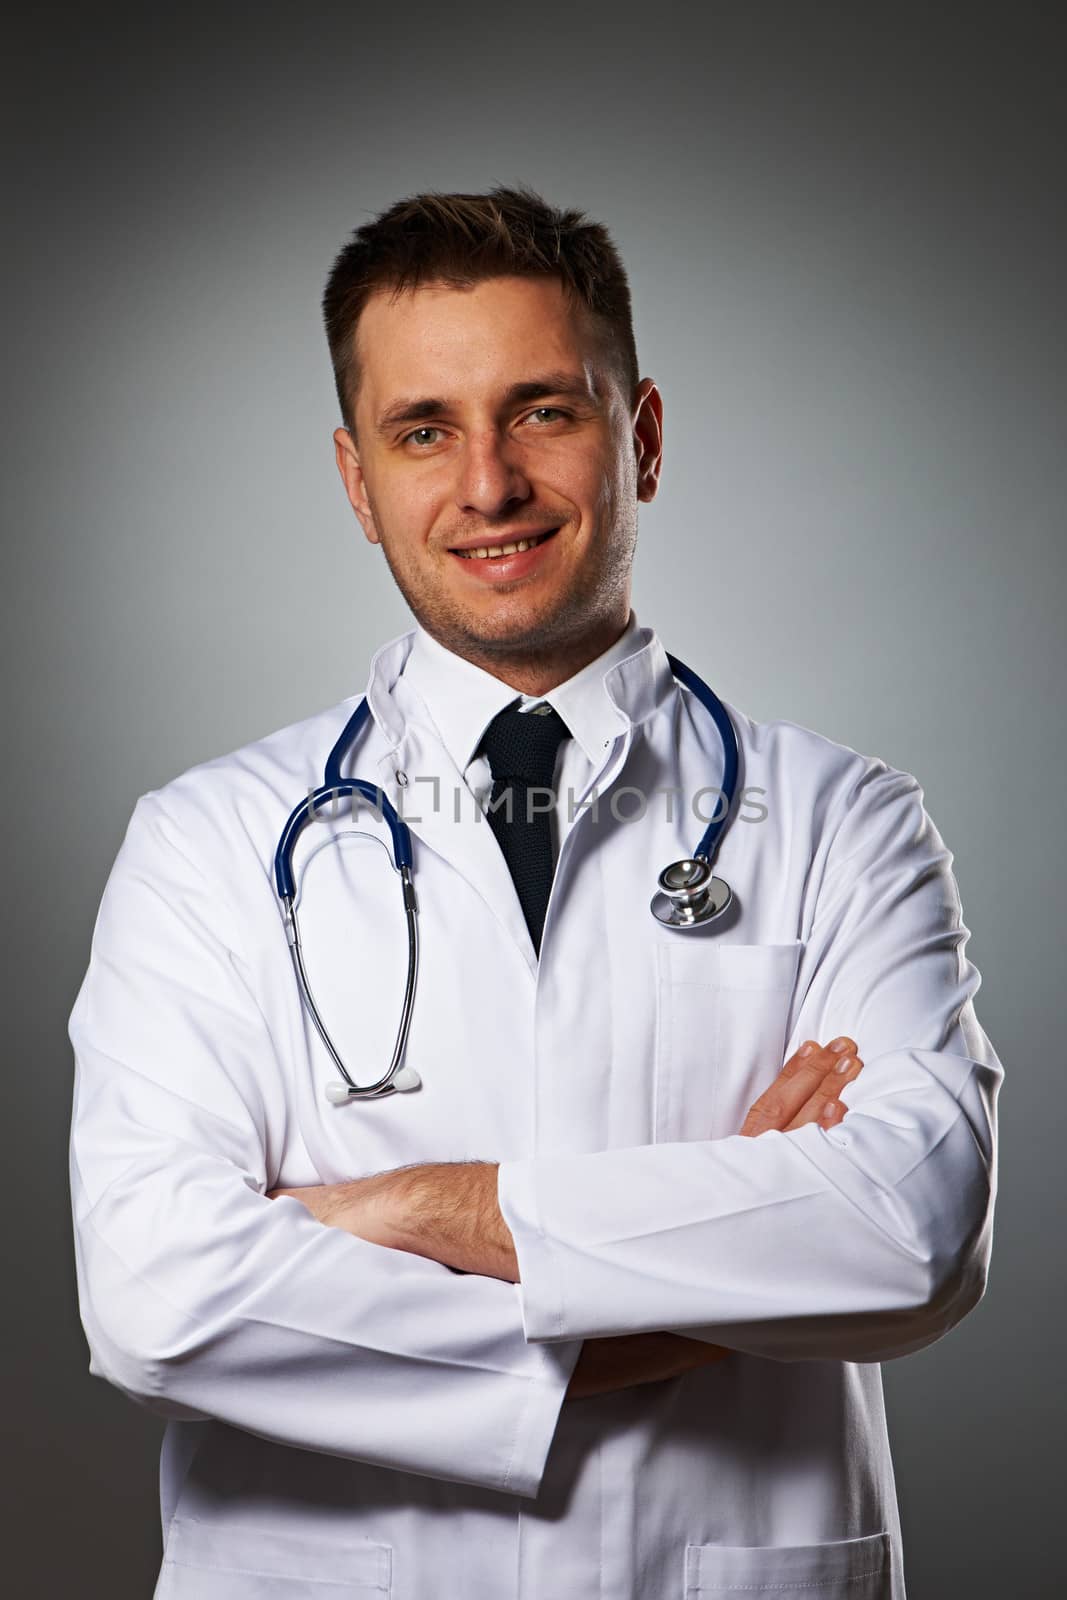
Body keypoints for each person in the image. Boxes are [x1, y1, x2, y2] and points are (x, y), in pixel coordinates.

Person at [68, 185, 1002, 1600]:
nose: (488, 484)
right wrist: (718, 1290)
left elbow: (911, 1233)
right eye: (423, 430)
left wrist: (412, 1209)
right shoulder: (205, 843)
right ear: (355, 479)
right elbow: (154, 1297)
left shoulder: (842, 822)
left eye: (544, 412)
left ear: (645, 438)